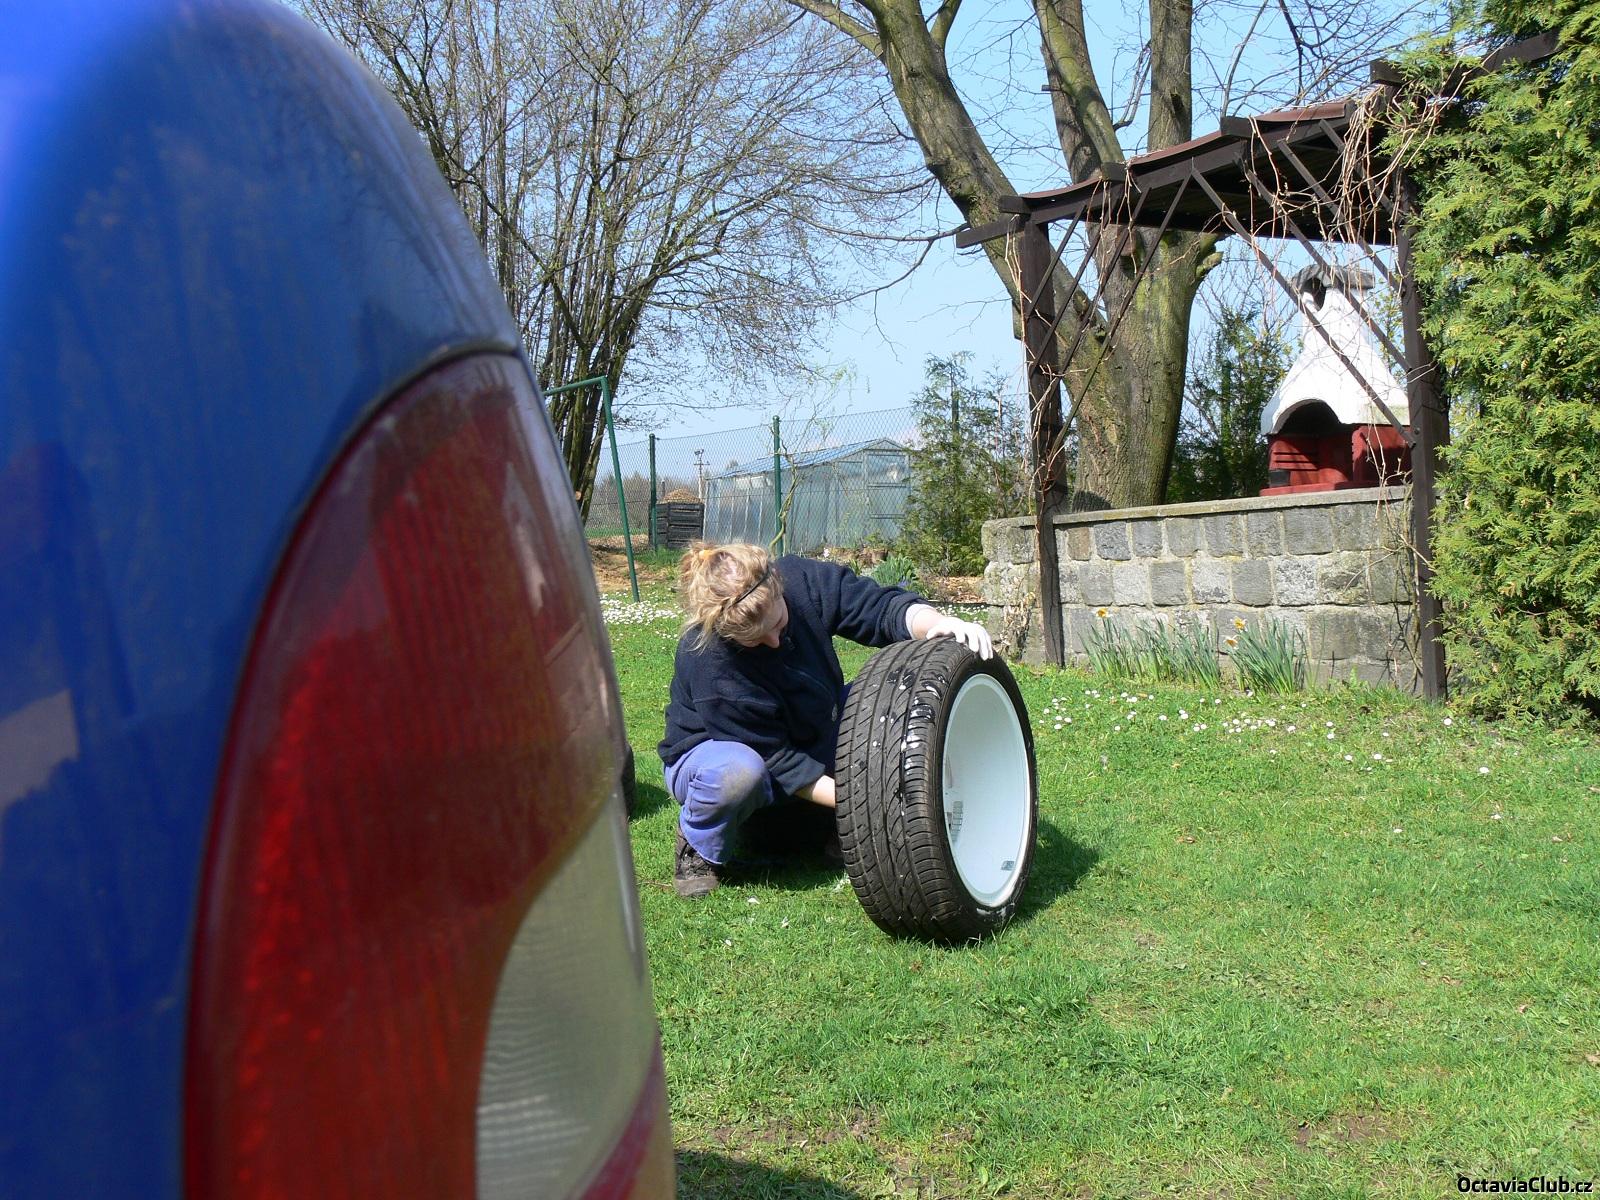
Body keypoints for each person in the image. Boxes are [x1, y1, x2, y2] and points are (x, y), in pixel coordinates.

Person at [658, 542, 992, 898]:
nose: (774, 641)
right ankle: (698, 845)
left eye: (779, 624)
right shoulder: (709, 659)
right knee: (738, 774)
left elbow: (876, 608)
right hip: (718, 758)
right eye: (755, 640)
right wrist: (864, 802)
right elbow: (776, 759)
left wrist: (938, 624)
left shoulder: (802, 580)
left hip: (808, 733)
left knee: (886, 701)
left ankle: (839, 828)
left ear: (780, 586)